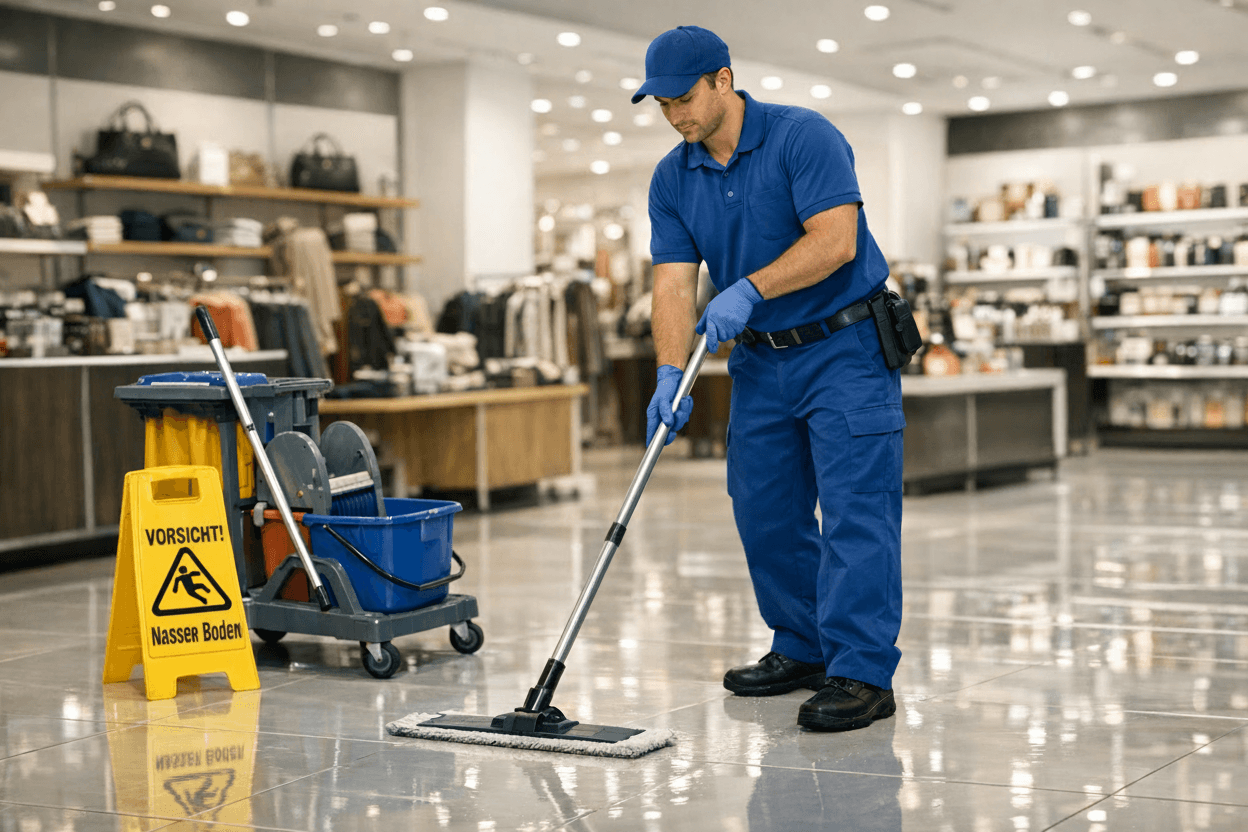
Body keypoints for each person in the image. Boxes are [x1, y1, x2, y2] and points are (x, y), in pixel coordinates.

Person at [633, 25, 904, 732]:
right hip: (761, 361)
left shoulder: (800, 137)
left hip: (844, 349)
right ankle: (803, 645)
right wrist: (669, 370)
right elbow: (671, 285)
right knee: (764, 508)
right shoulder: (673, 175)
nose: (675, 115)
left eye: (683, 98)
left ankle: (862, 670)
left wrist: (750, 287)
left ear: (723, 80)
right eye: (660, 105)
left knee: (856, 509)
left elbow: (836, 240)